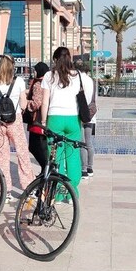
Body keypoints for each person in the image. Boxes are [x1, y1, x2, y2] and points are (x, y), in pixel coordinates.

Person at [0, 56, 34, 200]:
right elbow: (24, 104)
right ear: (12, 67)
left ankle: (5, 191)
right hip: (15, 121)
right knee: (22, 154)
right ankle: (28, 187)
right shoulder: (19, 81)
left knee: (1, 156)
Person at [40, 47, 83, 198]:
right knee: (73, 155)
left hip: (54, 119)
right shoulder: (77, 76)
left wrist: (44, 121)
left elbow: (45, 102)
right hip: (73, 119)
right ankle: (72, 194)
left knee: (56, 156)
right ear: (70, 59)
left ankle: (57, 194)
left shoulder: (48, 76)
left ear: (55, 60)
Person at [25, 62, 49, 170]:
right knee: (42, 147)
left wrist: (26, 103)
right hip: (46, 118)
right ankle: (46, 169)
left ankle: (46, 168)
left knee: (35, 147)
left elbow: (36, 103)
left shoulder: (38, 84)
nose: (34, 72)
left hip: (37, 121)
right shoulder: (48, 82)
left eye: (35, 70)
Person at [77, 66, 96, 179]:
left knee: (82, 143)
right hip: (91, 114)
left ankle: (83, 169)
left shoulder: (79, 80)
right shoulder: (91, 80)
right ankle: (90, 167)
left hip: (80, 114)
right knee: (89, 142)